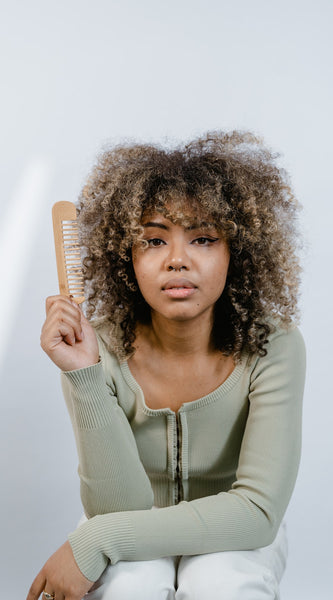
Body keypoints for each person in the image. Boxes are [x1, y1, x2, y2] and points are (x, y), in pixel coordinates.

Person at [27, 131, 306, 600]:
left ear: (235, 251)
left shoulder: (273, 345)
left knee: (223, 583)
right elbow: (118, 507)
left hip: (234, 530)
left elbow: (257, 512)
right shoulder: (99, 345)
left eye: (202, 238)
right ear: (126, 256)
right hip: (129, 518)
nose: (177, 260)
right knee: (126, 587)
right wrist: (84, 373)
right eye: (154, 240)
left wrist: (95, 540)